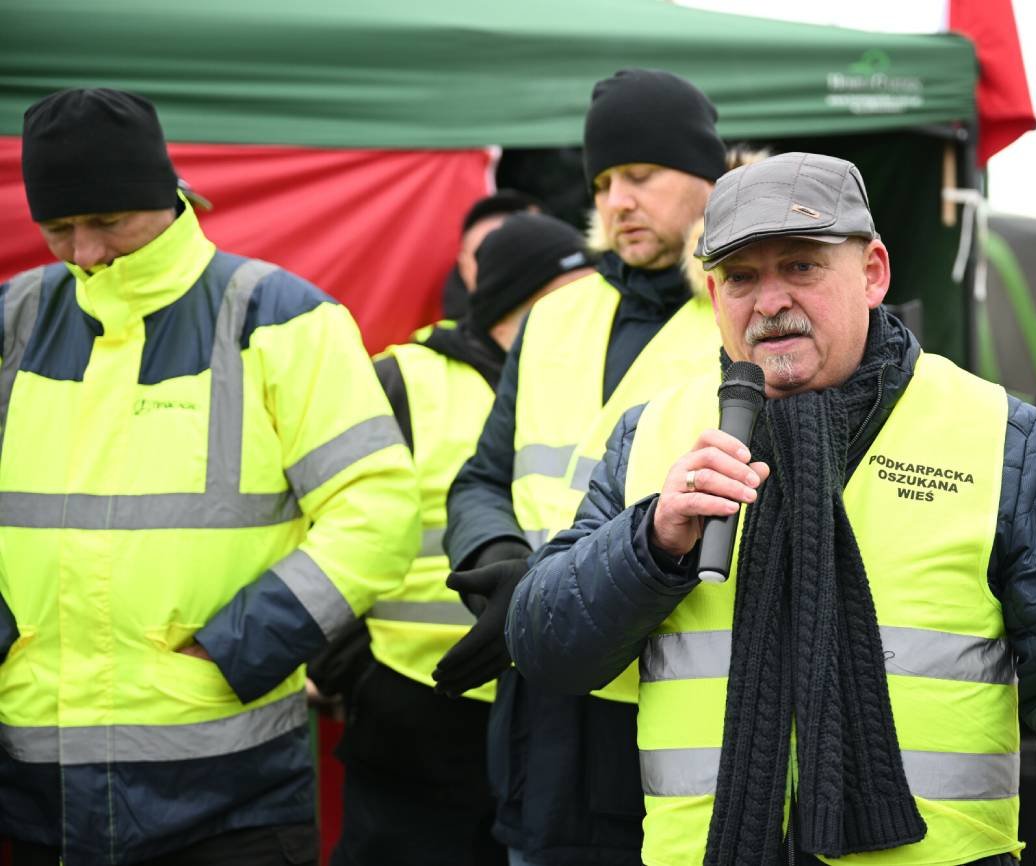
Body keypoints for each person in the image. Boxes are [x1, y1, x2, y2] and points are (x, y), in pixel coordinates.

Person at [507, 152, 1036, 866]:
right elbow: (543, 647)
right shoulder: (652, 436)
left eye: (802, 266)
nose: (770, 301)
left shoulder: (996, 432)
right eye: (741, 278)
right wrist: (651, 542)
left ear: (873, 272)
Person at [0, 88, 420, 865]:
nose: (86, 251)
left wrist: (243, 642)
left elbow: (380, 509)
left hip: (232, 799)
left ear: (165, 199)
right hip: (39, 795)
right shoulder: (14, 320)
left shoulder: (278, 316)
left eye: (108, 223)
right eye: (59, 228)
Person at [441, 68, 738, 866]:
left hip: (667, 706)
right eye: (604, 182)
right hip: (539, 693)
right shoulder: (556, 315)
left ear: (709, 180)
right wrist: (500, 564)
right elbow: (482, 476)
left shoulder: (743, 317)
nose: (617, 201)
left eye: (640, 176)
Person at [326, 213, 594, 866]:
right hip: (412, 709)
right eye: (572, 295)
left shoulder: (584, 386)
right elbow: (328, 518)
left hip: (545, 705)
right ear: (518, 304)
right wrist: (344, 668)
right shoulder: (400, 380)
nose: (592, 311)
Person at [442, 190, 545, 320]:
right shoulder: (437, 339)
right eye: (483, 253)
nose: (501, 263)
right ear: (464, 268)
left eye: (512, 250)